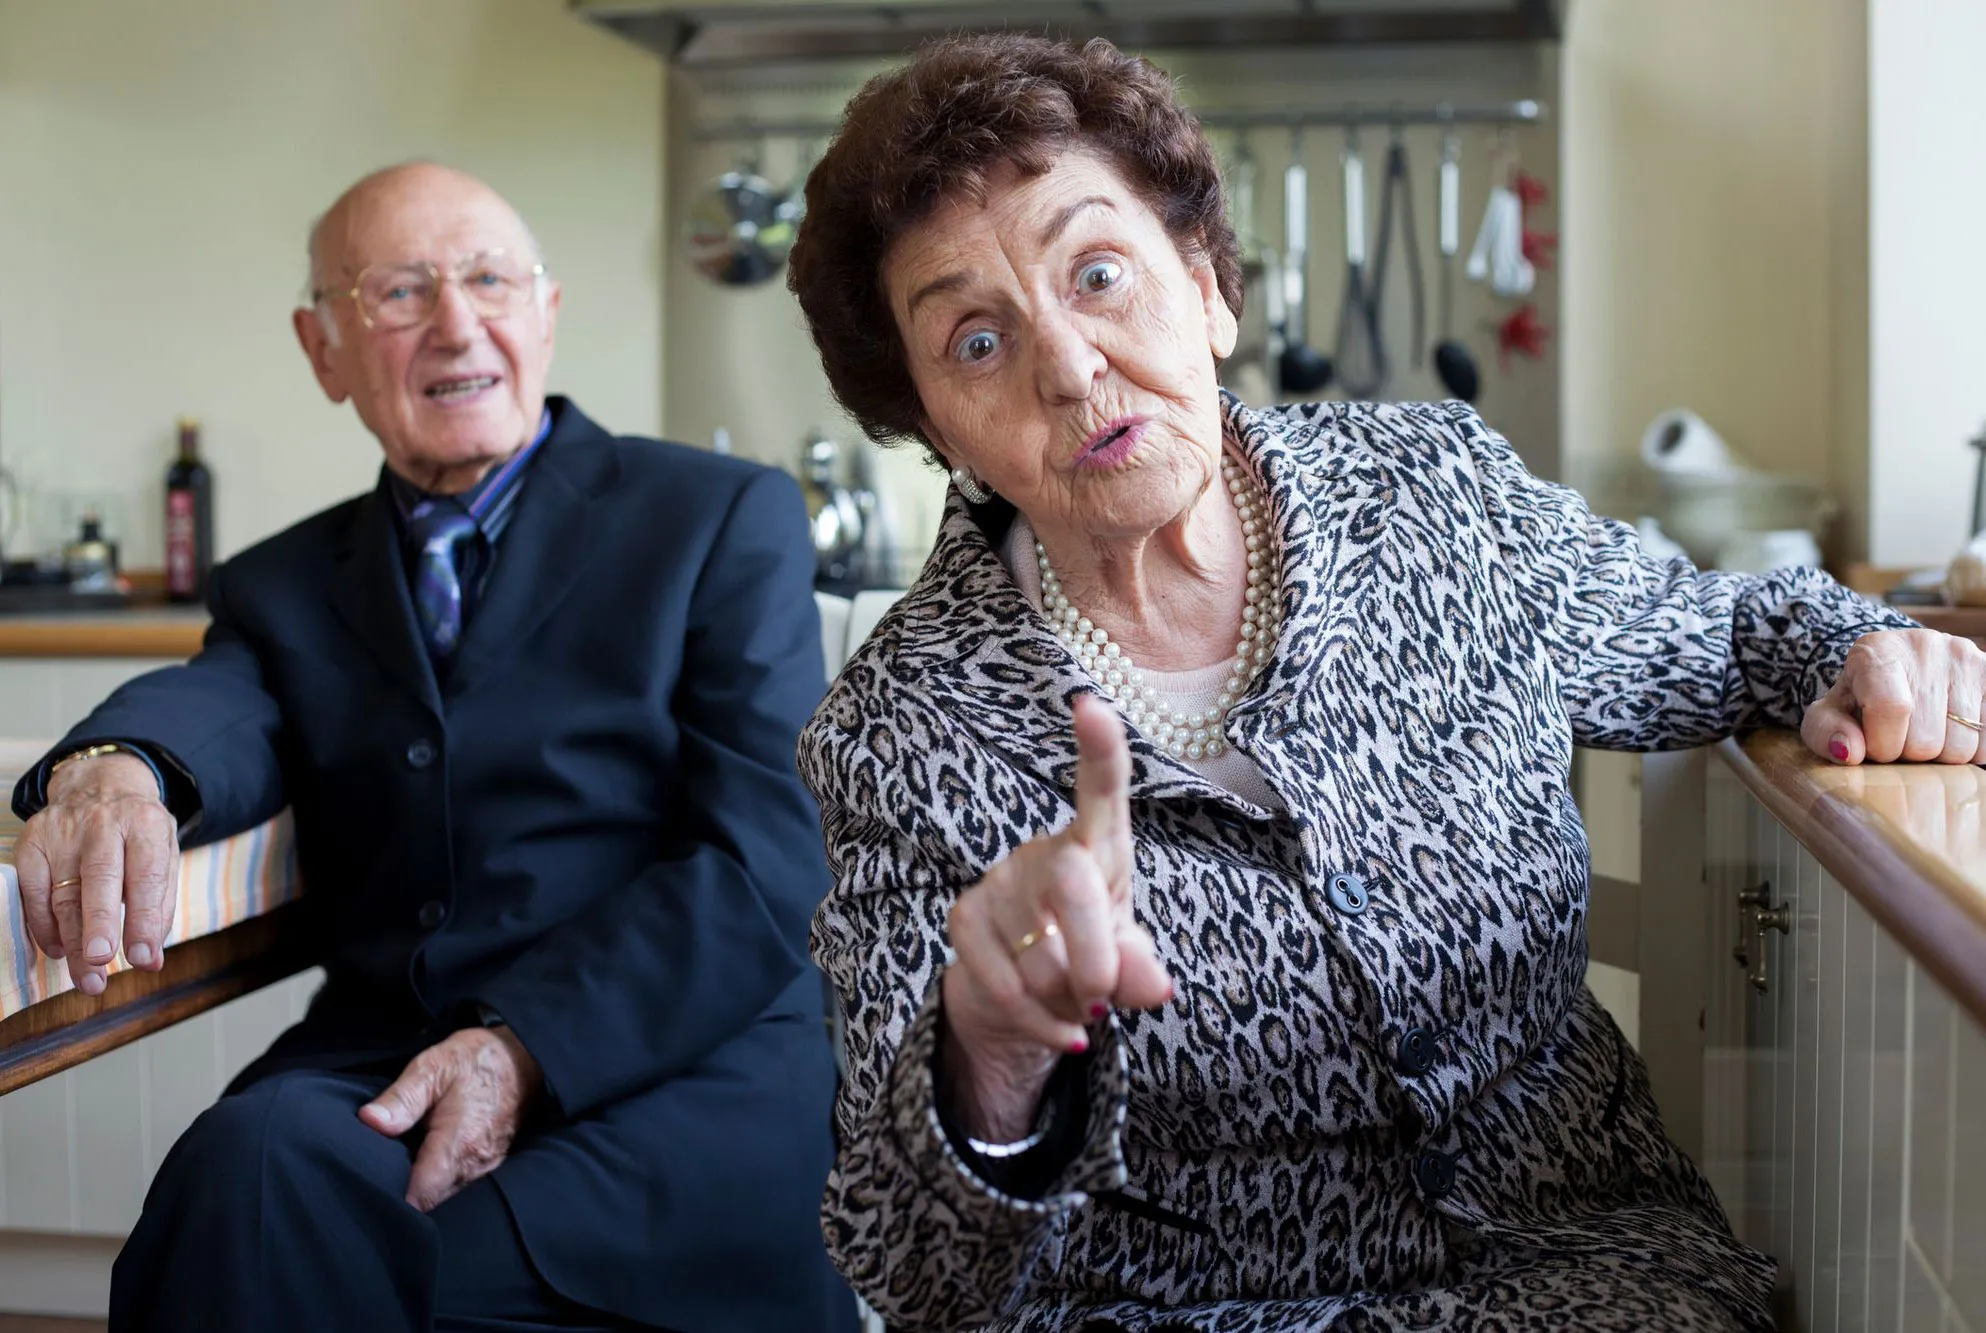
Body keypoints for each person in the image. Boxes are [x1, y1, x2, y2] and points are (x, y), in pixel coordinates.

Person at [785, 35, 1972, 1333]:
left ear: (1206, 289)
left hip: (1581, 1284)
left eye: (1101, 273)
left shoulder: (1430, 493)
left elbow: (1719, 637)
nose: (1067, 368)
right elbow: (915, 1275)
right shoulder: (903, 727)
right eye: (974, 340)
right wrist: (990, 1053)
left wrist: (1863, 649)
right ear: (935, 428)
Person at [10, 163, 854, 1333]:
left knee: (288, 1272)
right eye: (399, 292)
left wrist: (522, 1050)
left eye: (490, 279)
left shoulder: (717, 519)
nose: (458, 323)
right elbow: (221, 705)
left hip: (672, 1083)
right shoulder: (284, 582)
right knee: (243, 1173)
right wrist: (118, 769)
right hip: (389, 1066)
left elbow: (771, 859)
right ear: (325, 350)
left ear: (545, 314)